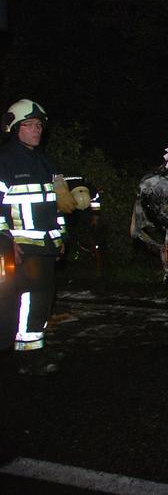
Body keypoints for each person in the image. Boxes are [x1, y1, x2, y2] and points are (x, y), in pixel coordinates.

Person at [0, 99, 75, 375]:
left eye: (39, 125)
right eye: (29, 125)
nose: (36, 130)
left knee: (43, 299)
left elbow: (56, 204)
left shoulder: (44, 161)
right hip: (22, 248)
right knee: (28, 299)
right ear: (14, 129)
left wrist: (61, 237)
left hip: (45, 245)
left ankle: (37, 347)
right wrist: (5, 241)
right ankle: (27, 356)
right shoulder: (5, 161)